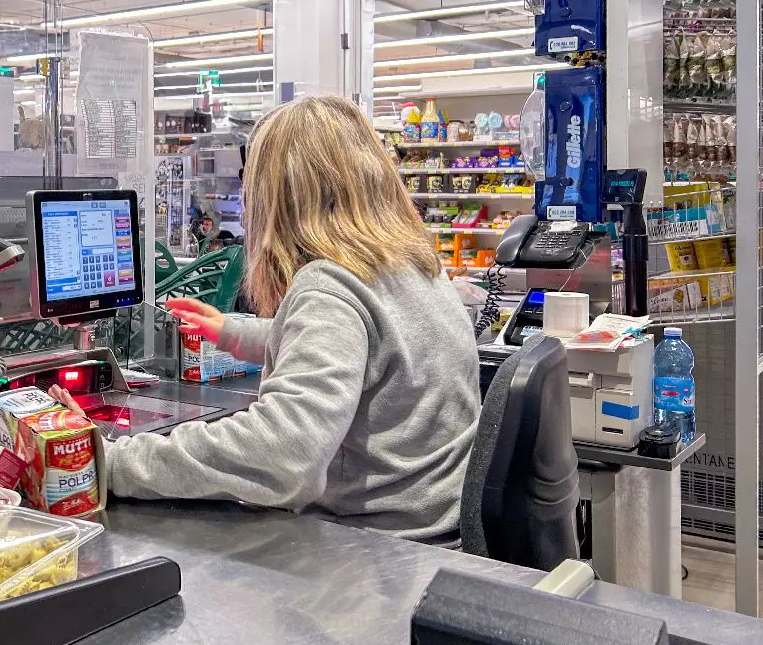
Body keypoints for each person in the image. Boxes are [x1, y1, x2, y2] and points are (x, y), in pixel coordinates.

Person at [51, 95, 481, 546]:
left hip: (376, 551)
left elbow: (283, 455)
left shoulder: (329, 285)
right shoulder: (412, 264)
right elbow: (362, 344)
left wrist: (111, 461)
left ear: (276, 194)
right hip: (438, 539)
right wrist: (231, 333)